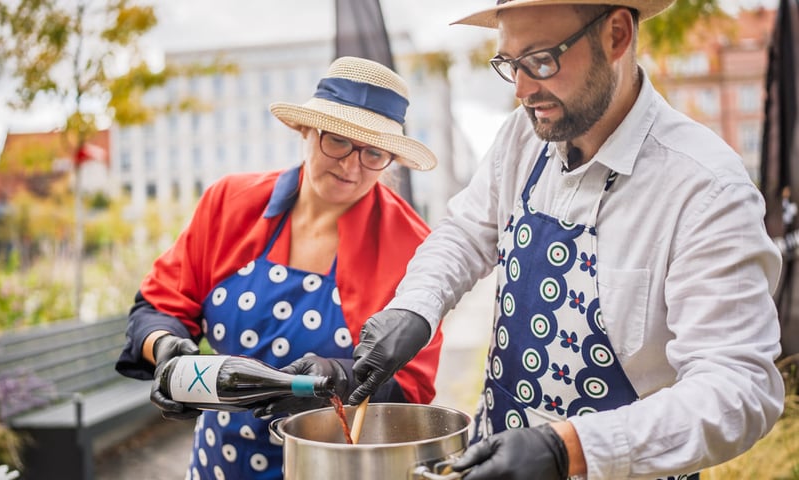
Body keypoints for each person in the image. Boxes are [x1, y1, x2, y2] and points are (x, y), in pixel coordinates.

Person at [347, 1, 786, 479]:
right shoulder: (525, 136)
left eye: (540, 61)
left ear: (616, 35)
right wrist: (415, 307)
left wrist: (569, 449)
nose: (521, 90)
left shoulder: (705, 189)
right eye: (510, 64)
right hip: (495, 455)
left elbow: (737, 391)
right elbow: (466, 232)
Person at [115, 56, 444, 480]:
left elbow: (411, 387)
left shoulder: (413, 245)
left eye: (373, 153)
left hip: (332, 469)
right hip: (218, 463)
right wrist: (164, 350)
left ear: (391, 159)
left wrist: (340, 378)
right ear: (305, 130)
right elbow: (159, 306)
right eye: (337, 140)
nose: (350, 165)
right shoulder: (229, 202)